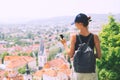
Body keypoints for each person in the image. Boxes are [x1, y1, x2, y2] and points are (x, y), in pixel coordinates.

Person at [60, 13, 101, 80]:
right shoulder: (95, 37)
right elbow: (99, 55)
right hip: (91, 71)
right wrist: (89, 55)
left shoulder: (74, 37)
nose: (75, 25)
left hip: (78, 72)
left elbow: (70, 54)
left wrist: (64, 44)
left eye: (75, 24)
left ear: (80, 24)